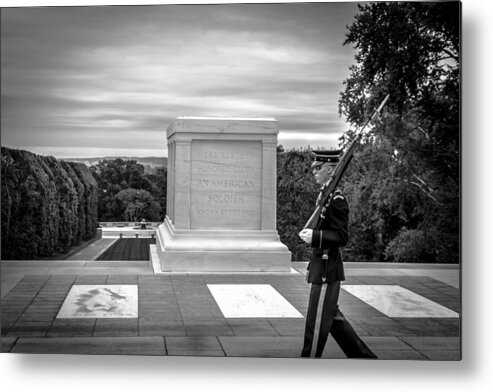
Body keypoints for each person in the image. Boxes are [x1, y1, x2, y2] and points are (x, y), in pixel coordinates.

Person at [298, 150, 377, 359]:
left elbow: (342, 237)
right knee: (331, 318)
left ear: (331, 169)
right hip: (320, 265)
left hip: (327, 269)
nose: (313, 171)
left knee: (317, 322)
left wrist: (315, 237)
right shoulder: (325, 195)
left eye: (318, 167)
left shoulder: (337, 199)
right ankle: (365, 359)